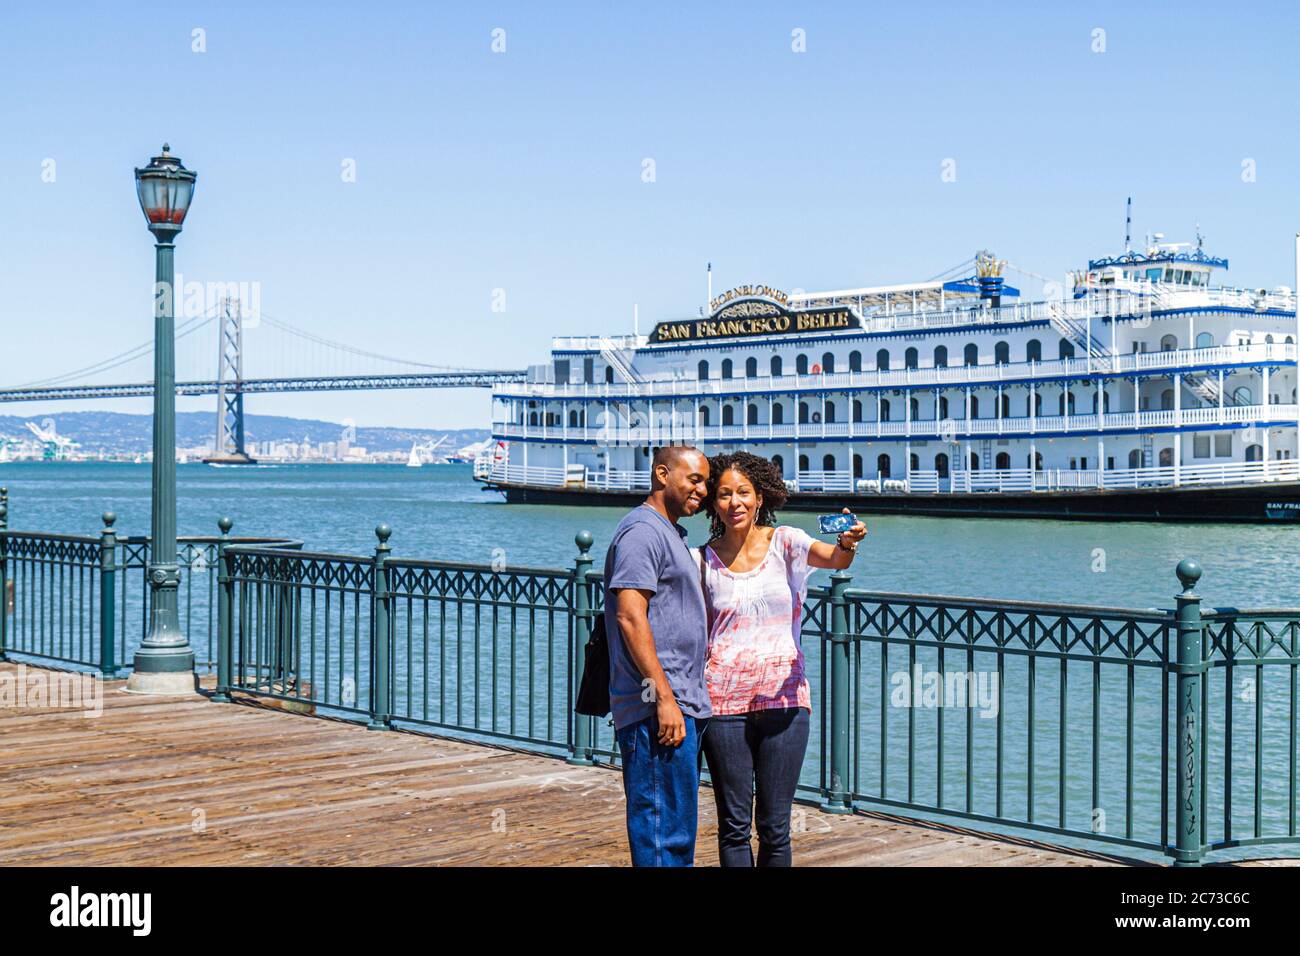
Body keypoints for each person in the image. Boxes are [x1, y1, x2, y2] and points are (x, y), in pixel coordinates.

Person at [697, 451, 866, 866]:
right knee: (734, 827)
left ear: (759, 498)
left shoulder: (785, 541)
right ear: (713, 503)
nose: (734, 502)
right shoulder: (700, 559)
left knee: (775, 827)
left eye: (743, 493)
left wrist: (847, 542)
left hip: (785, 702)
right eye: (723, 494)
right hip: (721, 705)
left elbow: (835, 558)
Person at [604, 445, 712, 866]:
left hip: (678, 703)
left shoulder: (669, 532)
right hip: (657, 708)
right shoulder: (643, 532)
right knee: (660, 828)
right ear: (662, 474)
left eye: (705, 481)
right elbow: (630, 616)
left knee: (677, 831)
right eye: (695, 479)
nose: (702, 490)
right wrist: (664, 698)